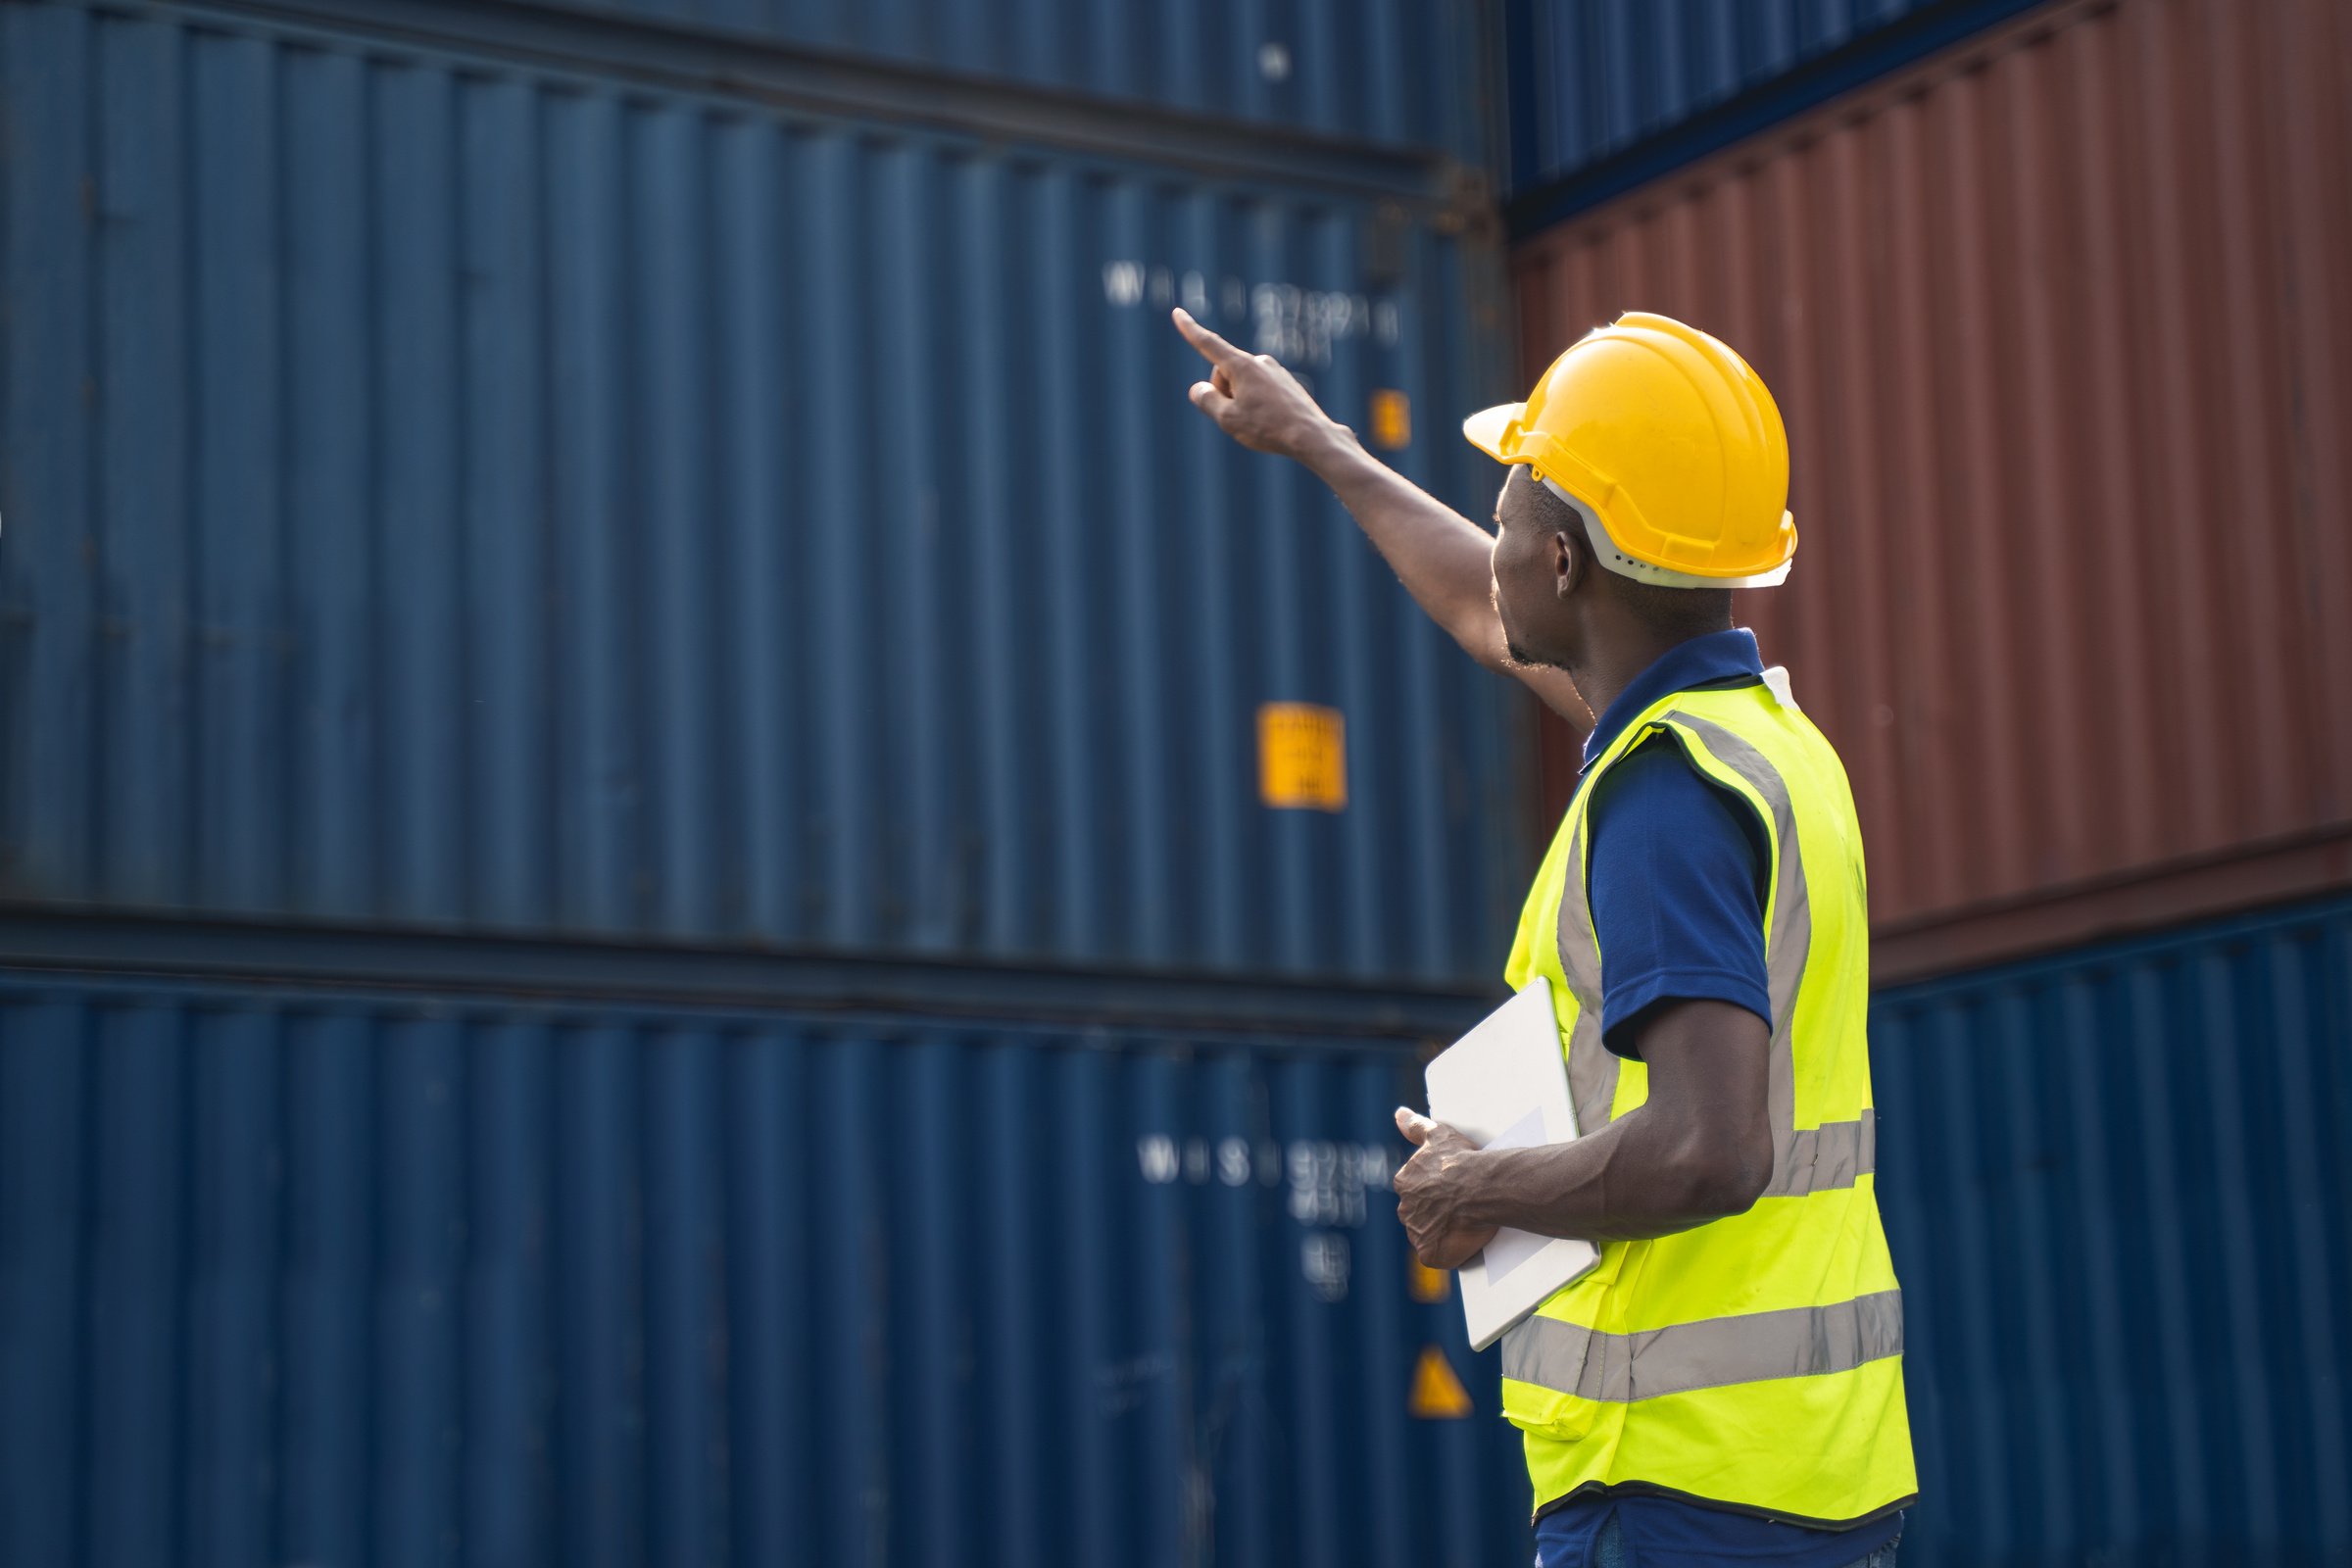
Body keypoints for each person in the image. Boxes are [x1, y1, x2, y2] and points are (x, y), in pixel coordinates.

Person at [1173, 307, 1915, 1568]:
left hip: (1677, 1496)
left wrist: (1477, 1188)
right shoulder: (1771, 745)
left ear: (1565, 561)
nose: (1499, 531)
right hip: (1809, 1470)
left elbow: (1707, 1149)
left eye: (1511, 500)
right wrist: (1321, 443)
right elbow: (1481, 606)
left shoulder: (1665, 797)